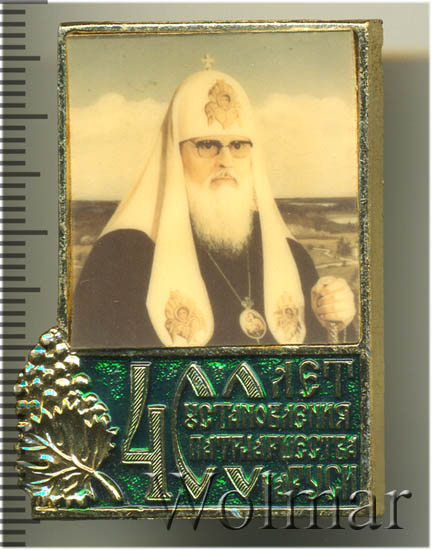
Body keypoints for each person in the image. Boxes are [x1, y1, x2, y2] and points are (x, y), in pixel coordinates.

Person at [72, 68, 355, 349]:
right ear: (175, 155)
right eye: (208, 145)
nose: (226, 161)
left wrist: (337, 321)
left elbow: (321, 362)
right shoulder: (121, 255)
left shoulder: (291, 255)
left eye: (239, 145)